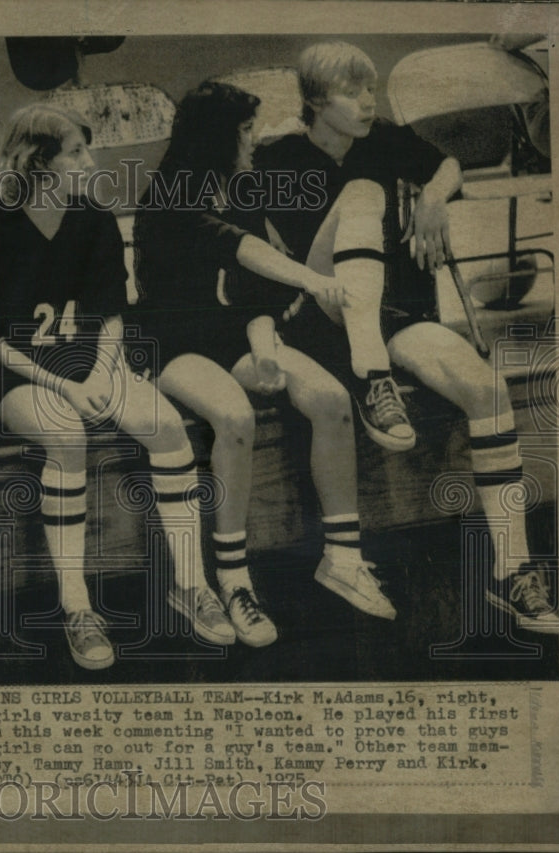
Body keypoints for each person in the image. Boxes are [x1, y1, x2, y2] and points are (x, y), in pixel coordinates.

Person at [257, 41, 557, 632]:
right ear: (316, 103)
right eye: (353, 93)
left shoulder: (383, 137)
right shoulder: (278, 157)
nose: (369, 102)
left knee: (488, 388)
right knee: (363, 196)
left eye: (372, 89)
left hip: (393, 314)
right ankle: (372, 379)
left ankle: (511, 570)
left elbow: (445, 165)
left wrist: (433, 198)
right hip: (320, 315)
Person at [0, 103, 237, 671]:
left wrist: (103, 371)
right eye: (76, 152)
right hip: (22, 374)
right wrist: (64, 384)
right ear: (39, 161)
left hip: (93, 364)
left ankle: (189, 584)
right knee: (67, 437)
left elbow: (110, 311)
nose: (90, 160)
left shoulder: (93, 217)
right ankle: (77, 607)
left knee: (164, 427)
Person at [133, 81, 396, 634]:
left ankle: (343, 561)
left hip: (235, 339)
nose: (255, 139)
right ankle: (234, 582)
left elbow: (259, 292)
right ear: (217, 135)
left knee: (328, 397)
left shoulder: (241, 185)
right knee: (235, 417)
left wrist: (263, 343)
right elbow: (239, 248)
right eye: (246, 130)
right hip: (176, 345)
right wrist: (314, 280)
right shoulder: (170, 191)